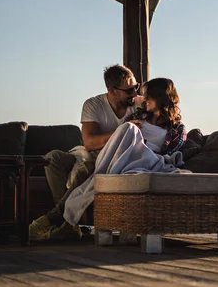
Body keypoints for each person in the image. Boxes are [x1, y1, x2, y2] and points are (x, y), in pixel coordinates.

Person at [33, 78, 188, 241]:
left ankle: (59, 219)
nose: (144, 99)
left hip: (145, 159)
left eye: (147, 96)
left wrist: (141, 145)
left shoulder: (177, 129)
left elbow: (168, 154)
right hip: (121, 156)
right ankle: (65, 222)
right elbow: (122, 139)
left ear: (160, 97)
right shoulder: (138, 117)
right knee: (126, 130)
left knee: (93, 169)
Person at [29, 64, 143, 241]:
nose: (135, 93)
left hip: (109, 159)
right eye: (129, 90)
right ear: (112, 91)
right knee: (53, 158)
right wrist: (124, 130)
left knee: (86, 167)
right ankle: (68, 221)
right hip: (89, 153)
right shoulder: (94, 104)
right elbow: (89, 143)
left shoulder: (139, 105)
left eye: (136, 86)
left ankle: (62, 221)